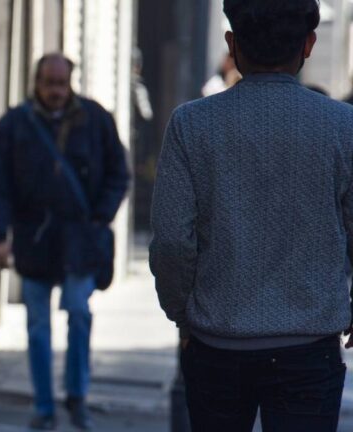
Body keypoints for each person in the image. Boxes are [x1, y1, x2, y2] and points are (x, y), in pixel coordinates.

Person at [150, 1, 352, 431]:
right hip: (309, 345)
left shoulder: (191, 124)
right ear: (309, 45)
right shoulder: (343, 126)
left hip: (217, 342)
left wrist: (182, 315)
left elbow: (171, 240)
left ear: (232, 44)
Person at [0, 53, 130, 431]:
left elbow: (119, 170)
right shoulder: (14, 125)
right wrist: (0, 237)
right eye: (49, 83)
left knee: (79, 314)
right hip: (34, 237)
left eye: (61, 84)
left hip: (80, 237)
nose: (55, 91)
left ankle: (77, 397)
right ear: (36, 82)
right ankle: (45, 406)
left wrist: (102, 215)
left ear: (71, 83)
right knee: (37, 324)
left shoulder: (95, 119)